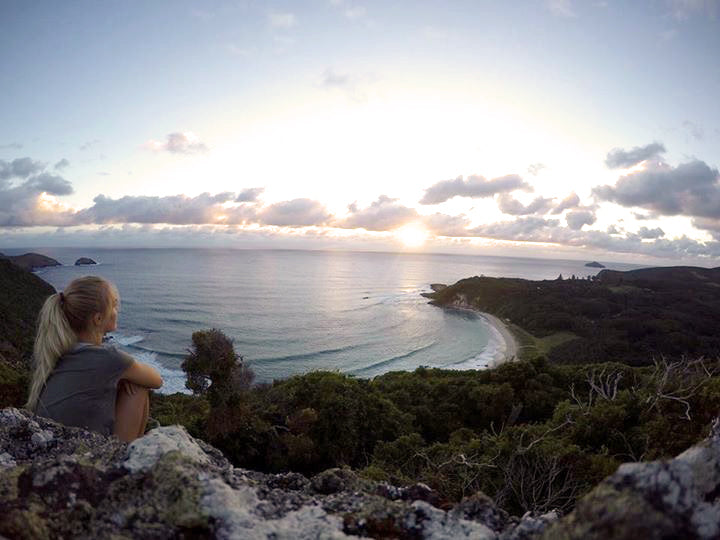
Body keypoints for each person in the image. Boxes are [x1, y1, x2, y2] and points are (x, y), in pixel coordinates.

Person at [23, 275, 163, 442]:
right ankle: (125, 454)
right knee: (137, 386)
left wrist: (120, 377)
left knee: (126, 379)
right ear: (98, 319)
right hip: (82, 454)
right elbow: (156, 380)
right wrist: (124, 376)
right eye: (114, 305)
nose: (116, 311)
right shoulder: (107, 358)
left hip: (48, 446)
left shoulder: (58, 350)